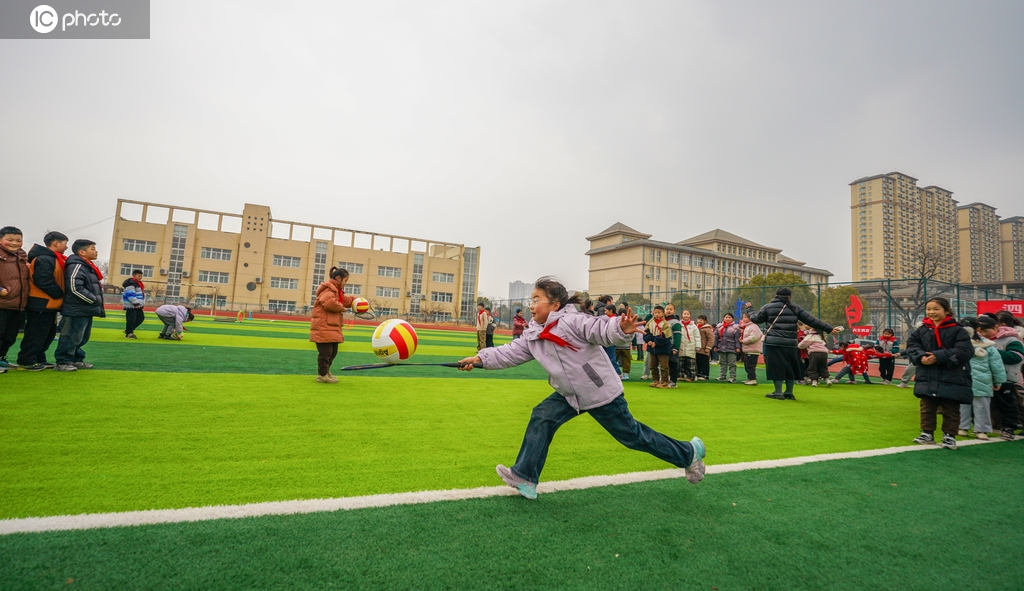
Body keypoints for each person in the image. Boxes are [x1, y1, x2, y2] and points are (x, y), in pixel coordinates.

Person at [456, 276, 706, 500]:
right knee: (542, 417)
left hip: (600, 392)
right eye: (531, 300)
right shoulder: (534, 333)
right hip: (569, 394)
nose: (532, 305)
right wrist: (479, 359)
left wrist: (620, 328)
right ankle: (525, 477)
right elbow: (510, 353)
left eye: (537, 299)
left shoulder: (573, 321)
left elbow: (601, 329)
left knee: (633, 437)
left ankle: (688, 453)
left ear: (555, 305)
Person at [745, 288, 839, 400]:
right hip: (791, 343)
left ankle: (778, 392)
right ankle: (789, 392)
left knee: (776, 367)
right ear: (789, 297)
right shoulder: (795, 308)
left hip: (774, 343)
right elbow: (812, 321)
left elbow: (756, 319)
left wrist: (750, 309)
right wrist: (829, 328)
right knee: (790, 367)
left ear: (776, 296)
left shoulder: (768, 307)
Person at [906, 297, 973, 450]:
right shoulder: (921, 330)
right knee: (927, 406)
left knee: (951, 408)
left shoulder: (958, 330)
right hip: (927, 375)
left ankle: (949, 436)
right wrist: (921, 357)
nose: (931, 312)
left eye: (936, 309)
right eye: (929, 309)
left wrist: (938, 356)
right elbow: (911, 346)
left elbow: (965, 351)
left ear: (947, 311)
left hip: (953, 376)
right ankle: (927, 433)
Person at [17, 231, 67, 371]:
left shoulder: (53, 258)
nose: (66, 247)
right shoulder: (45, 259)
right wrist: (59, 293)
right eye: (65, 243)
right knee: (36, 333)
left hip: (48, 303)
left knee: (48, 333)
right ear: (56, 243)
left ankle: (39, 357)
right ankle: (27, 360)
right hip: (40, 302)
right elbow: (43, 280)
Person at [54, 239, 106, 372]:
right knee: (70, 336)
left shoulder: (87, 266)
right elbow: (74, 287)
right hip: (76, 309)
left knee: (81, 337)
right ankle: (63, 361)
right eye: (92, 248)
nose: (96, 251)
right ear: (82, 252)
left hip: (85, 309)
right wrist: (93, 300)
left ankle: (76, 358)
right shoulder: (76, 265)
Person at [957, 316, 1004, 440]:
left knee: (963, 404)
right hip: (982, 380)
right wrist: (998, 380)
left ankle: (963, 427)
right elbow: (996, 365)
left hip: (961, 379)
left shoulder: (958, 343)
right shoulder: (987, 345)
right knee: (981, 406)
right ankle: (981, 429)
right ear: (978, 328)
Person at [979, 311, 1024, 440]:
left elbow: (1017, 357)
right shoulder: (980, 340)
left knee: (1009, 404)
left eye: (986, 331)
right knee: (989, 404)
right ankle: (989, 426)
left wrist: (993, 352)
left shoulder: (1011, 339)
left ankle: (1009, 428)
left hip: (1007, 379)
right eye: (980, 331)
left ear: (996, 327)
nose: (983, 334)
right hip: (986, 379)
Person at [310, 266, 355, 384]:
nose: (345, 284)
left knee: (333, 352)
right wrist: (342, 308)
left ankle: (326, 372)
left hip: (331, 327)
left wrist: (357, 301)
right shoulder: (328, 289)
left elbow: (345, 300)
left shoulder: (337, 292)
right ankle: (322, 374)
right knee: (325, 353)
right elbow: (329, 302)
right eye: (345, 281)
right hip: (323, 326)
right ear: (339, 278)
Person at [0, 227, 30, 371]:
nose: (15, 243)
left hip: (18, 303)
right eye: (9, 240)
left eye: (18, 240)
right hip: (2, 302)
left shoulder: (22, 256)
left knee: (10, 335)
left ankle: (1, 357)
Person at [644, 305, 673, 388]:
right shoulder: (650, 322)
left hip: (663, 348)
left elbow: (666, 336)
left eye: (659, 312)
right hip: (652, 348)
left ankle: (664, 381)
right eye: (655, 312)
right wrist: (648, 340)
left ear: (663, 313)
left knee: (664, 366)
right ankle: (655, 380)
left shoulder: (665, 324)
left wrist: (656, 342)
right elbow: (646, 332)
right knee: (653, 365)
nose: (656, 314)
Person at [713, 313, 742, 383]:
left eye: (729, 317)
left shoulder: (736, 327)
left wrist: (738, 347)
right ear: (724, 318)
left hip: (732, 348)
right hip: (721, 348)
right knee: (722, 363)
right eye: (726, 317)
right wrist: (715, 346)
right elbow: (715, 337)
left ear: (732, 319)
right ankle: (722, 376)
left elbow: (737, 339)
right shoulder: (719, 327)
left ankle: (732, 377)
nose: (727, 319)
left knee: (732, 364)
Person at [677, 309, 701, 383]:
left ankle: (690, 376)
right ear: (682, 315)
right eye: (684, 314)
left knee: (690, 363)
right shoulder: (678, 325)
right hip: (681, 346)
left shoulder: (694, 326)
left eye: (688, 314)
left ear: (690, 315)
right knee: (680, 363)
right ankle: (680, 375)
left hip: (691, 346)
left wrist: (698, 346)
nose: (686, 315)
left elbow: (697, 336)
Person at [739, 312, 763, 386]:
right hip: (748, 350)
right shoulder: (746, 327)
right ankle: (749, 378)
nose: (744, 319)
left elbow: (753, 338)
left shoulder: (754, 326)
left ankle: (752, 379)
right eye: (743, 317)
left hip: (753, 350)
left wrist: (743, 341)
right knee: (747, 365)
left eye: (746, 317)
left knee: (750, 366)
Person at [122, 269, 146, 339]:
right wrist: (135, 303)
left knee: (140, 318)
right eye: (138, 276)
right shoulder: (130, 284)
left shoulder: (138, 284)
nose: (140, 278)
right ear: (133, 276)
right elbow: (130, 295)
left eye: (141, 276)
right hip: (131, 305)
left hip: (137, 305)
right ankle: (129, 333)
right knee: (131, 319)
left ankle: (128, 330)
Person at [664, 303, 682, 387]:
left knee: (673, 364)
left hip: (672, 347)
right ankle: (664, 380)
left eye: (671, 309)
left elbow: (677, 336)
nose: (668, 311)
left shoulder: (676, 322)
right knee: (664, 364)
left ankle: (673, 381)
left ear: (674, 311)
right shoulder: (662, 321)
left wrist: (676, 347)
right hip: (663, 346)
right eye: (667, 309)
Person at [696, 315, 713, 380]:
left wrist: (708, 347)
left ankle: (705, 375)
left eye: (701, 320)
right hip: (698, 349)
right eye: (699, 319)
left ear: (705, 321)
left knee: (704, 362)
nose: (699, 321)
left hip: (704, 349)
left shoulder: (707, 329)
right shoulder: (696, 327)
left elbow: (711, 339)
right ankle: (699, 374)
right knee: (698, 362)